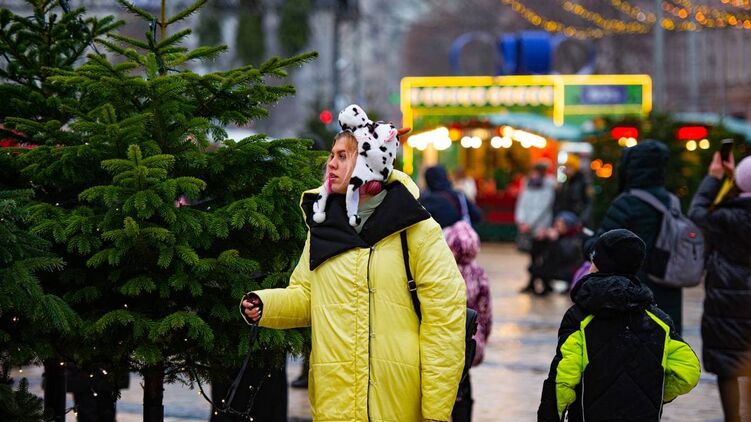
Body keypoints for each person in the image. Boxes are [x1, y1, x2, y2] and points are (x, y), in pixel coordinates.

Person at [240, 129, 466, 422]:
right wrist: (265, 305)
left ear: (369, 163)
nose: (331, 164)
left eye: (343, 156)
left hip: (397, 403)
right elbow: (307, 296)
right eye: (332, 156)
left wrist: (436, 411)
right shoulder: (323, 228)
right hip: (335, 403)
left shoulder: (416, 230)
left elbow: (445, 322)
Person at [538, 229, 701, 422]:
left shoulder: (580, 317)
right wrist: (653, 392)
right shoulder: (659, 320)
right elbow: (688, 371)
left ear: (599, 265)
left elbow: (562, 380)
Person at [591, 140, 684, 333]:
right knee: (667, 348)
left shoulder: (627, 203)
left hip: (633, 294)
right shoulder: (672, 201)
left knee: (636, 355)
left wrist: (586, 241)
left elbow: (601, 249)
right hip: (669, 287)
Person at [688, 152, 751, 422]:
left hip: (727, 300)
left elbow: (696, 212)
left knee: (729, 368)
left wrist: (715, 178)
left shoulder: (724, 215)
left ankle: (733, 418)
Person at [443, 219, 492, 422]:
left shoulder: (443, 269)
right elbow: (486, 312)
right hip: (468, 341)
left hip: (444, 340)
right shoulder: (479, 273)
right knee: (463, 383)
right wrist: (482, 337)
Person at [516, 161, 557, 294]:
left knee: (541, 255)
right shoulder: (527, 183)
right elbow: (522, 201)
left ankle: (544, 283)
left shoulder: (548, 185)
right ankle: (534, 283)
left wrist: (530, 223)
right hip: (528, 226)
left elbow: (544, 206)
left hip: (542, 227)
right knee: (533, 255)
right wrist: (521, 221)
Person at [533, 211, 583, 294]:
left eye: (560, 225)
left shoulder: (574, 239)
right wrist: (539, 241)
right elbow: (536, 253)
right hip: (554, 270)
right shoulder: (557, 236)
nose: (557, 227)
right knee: (536, 267)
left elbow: (564, 257)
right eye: (556, 224)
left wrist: (554, 241)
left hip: (566, 272)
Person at [554, 154, 592, 225]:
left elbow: (588, 203)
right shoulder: (565, 182)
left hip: (575, 218)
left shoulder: (583, 182)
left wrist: (582, 220)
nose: (567, 170)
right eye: (566, 167)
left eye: (569, 167)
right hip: (564, 218)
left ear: (575, 168)